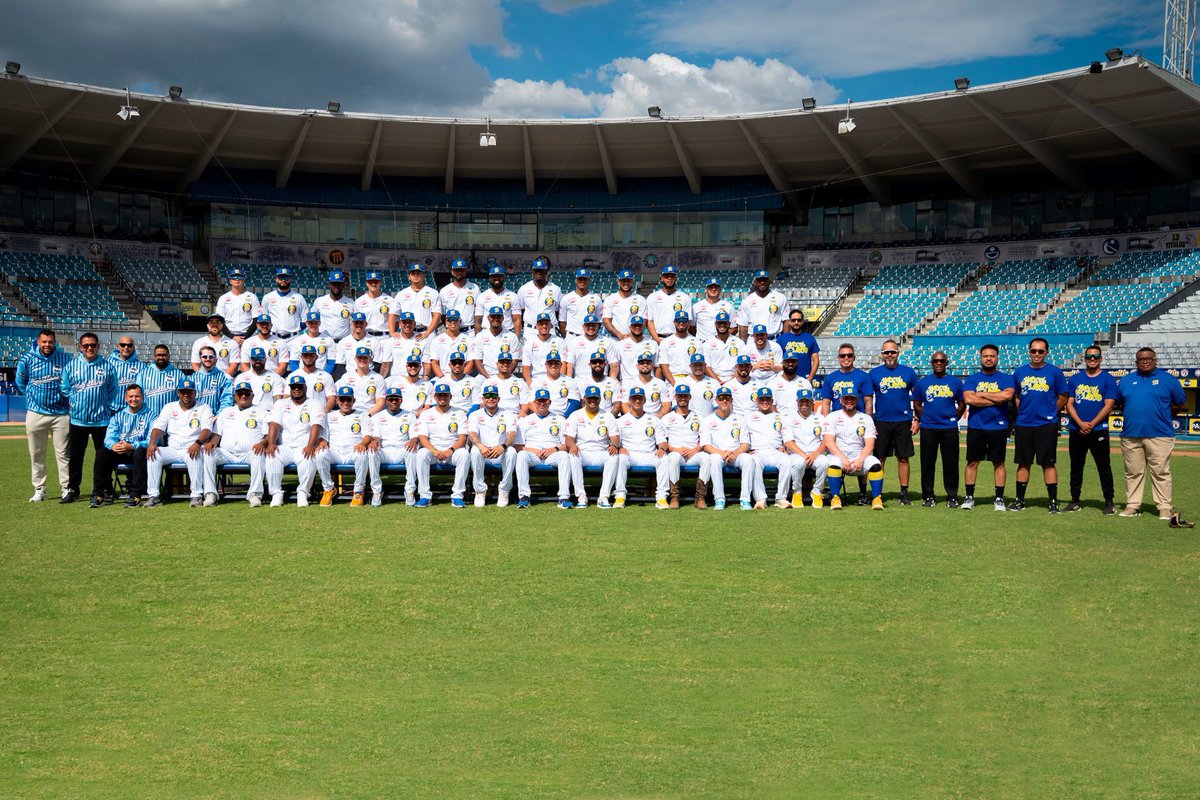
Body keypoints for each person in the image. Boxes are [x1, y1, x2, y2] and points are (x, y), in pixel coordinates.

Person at [1116, 347, 1190, 525]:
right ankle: (1133, 505)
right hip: (1131, 435)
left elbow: (1179, 403)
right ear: (1136, 362)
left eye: (1149, 358)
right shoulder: (1126, 380)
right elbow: (1120, 403)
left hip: (1160, 434)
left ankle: (1164, 507)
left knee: (1161, 472)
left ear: (1155, 360)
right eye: (1141, 359)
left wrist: (1163, 416)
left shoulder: (1168, 380)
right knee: (1133, 472)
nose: (1145, 361)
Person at [1011, 337, 1069, 512]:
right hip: (1024, 424)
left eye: (1040, 351)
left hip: (1046, 425)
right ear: (1029, 352)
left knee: (1048, 463)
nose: (1037, 354)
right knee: (1023, 463)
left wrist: (1051, 412)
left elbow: (1063, 396)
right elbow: (1016, 396)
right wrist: (1023, 411)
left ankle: (1053, 502)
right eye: (1034, 351)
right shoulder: (1019, 372)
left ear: (1046, 353)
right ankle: (1019, 500)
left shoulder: (1055, 372)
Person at [61, 331, 117, 506]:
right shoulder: (71, 366)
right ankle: (73, 489)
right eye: (86, 345)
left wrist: (106, 405)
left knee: (104, 456)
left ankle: (104, 489)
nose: (89, 348)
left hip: (102, 420)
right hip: (78, 420)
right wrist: (75, 401)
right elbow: (64, 387)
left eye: (93, 345)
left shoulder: (107, 366)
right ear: (80, 347)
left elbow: (113, 390)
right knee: (76, 457)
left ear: (98, 346)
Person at [16, 328, 71, 503]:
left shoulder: (65, 358)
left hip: (61, 414)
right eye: (44, 341)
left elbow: (71, 381)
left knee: (63, 453)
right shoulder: (27, 359)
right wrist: (33, 398)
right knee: (36, 453)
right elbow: (21, 382)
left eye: (50, 341)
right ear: (38, 342)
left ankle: (66, 488)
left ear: (55, 342)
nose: (47, 345)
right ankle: (40, 489)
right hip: (36, 413)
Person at [961, 343, 1015, 511]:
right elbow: (970, 400)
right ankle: (969, 497)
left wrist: (982, 394)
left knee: (998, 462)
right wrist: (995, 397)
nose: (989, 358)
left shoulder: (1006, 378)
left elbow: (1007, 396)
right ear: (981, 358)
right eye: (986, 356)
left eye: (992, 356)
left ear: (997, 358)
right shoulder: (972, 379)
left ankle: (999, 498)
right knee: (972, 462)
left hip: (998, 427)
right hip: (976, 426)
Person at [202, 380, 273, 507]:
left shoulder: (262, 412)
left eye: (247, 394)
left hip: (249, 453)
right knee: (208, 453)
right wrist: (212, 443)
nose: (243, 396)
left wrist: (263, 443)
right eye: (240, 394)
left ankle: (255, 494)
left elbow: (268, 435)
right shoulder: (226, 412)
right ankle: (210, 494)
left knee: (259, 454)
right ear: (235, 396)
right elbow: (217, 434)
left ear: (252, 395)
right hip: (227, 453)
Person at [1064, 345, 1117, 515]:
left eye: (1095, 356)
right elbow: (1069, 403)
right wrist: (1080, 423)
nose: (1092, 359)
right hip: (1077, 429)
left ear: (1101, 359)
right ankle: (1074, 500)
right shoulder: (1075, 379)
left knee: (1104, 467)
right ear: (1085, 359)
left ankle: (1109, 501)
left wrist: (1091, 424)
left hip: (1098, 430)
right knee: (1076, 467)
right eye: (1089, 356)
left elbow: (1108, 405)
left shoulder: (1108, 379)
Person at [266, 375, 333, 508]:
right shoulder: (280, 404)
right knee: (272, 456)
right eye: (293, 387)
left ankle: (303, 493)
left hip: (303, 445)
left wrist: (310, 445)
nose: (296, 389)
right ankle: (276, 494)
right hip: (285, 445)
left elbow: (316, 425)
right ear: (290, 389)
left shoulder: (314, 404)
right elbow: (274, 424)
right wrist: (271, 443)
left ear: (305, 388)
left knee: (308, 458)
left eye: (299, 387)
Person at [145, 379, 212, 507]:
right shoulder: (169, 407)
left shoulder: (204, 407)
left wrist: (198, 443)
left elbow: (207, 429)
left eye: (189, 392)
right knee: (154, 454)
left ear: (195, 393)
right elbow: (159, 427)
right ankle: (154, 496)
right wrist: (152, 442)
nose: (186, 395)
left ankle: (196, 495)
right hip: (173, 449)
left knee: (195, 455)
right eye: (183, 392)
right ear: (178, 393)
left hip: (191, 447)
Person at [869, 340, 919, 505]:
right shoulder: (874, 373)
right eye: (886, 352)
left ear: (898, 353)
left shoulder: (909, 372)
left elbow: (918, 398)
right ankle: (877, 493)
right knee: (879, 458)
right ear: (882, 354)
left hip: (903, 421)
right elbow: (868, 399)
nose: (890, 355)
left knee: (903, 458)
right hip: (881, 421)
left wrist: (917, 419)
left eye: (893, 352)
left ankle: (904, 492)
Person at [912, 351, 965, 507]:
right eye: (936, 361)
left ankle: (952, 496)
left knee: (951, 463)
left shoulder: (955, 382)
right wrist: (926, 417)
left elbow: (962, 405)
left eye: (942, 361)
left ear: (946, 362)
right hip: (928, 428)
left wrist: (951, 417)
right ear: (932, 362)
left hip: (949, 428)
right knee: (927, 463)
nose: (939, 363)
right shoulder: (923, 382)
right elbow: (917, 405)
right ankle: (928, 496)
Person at [822, 386, 884, 510]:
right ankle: (835, 498)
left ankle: (877, 499)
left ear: (857, 400)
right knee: (833, 463)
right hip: (838, 455)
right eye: (846, 399)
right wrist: (843, 459)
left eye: (852, 399)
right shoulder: (832, 416)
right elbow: (829, 442)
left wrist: (860, 459)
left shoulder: (866, 418)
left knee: (876, 464)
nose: (849, 401)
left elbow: (870, 444)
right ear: (840, 400)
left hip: (859, 455)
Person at [565, 385, 623, 508]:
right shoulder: (575, 415)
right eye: (590, 398)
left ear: (600, 400)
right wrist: (572, 446)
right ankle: (581, 496)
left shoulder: (608, 415)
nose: (592, 401)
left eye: (595, 398)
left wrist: (613, 445)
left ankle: (604, 497)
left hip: (601, 451)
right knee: (573, 455)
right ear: (584, 399)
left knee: (614, 456)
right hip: (582, 451)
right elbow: (568, 439)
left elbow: (615, 438)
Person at [513, 387, 573, 508]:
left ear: (549, 402)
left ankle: (564, 497)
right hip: (532, 454)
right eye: (539, 401)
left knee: (564, 456)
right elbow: (518, 446)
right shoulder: (525, 420)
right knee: (521, 455)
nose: (542, 403)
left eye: (545, 401)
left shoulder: (560, 419)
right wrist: (532, 450)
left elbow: (566, 445)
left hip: (552, 454)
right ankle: (524, 496)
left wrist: (554, 449)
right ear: (534, 403)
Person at [614, 386, 672, 509]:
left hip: (649, 454)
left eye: (640, 398)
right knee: (620, 458)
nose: (637, 401)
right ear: (629, 400)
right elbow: (614, 441)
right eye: (634, 398)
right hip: (630, 454)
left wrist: (661, 448)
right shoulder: (621, 420)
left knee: (664, 458)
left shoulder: (654, 420)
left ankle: (661, 497)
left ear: (644, 400)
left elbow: (662, 441)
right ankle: (620, 496)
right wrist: (619, 448)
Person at [414, 383, 470, 507]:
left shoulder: (460, 413)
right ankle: (424, 495)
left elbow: (463, 438)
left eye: (445, 395)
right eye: (440, 395)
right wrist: (434, 451)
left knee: (464, 454)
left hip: (452, 452)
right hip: (433, 452)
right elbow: (422, 437)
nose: (442, 398)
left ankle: (457, 495)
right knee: (421, 454)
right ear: (435, 397)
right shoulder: (426, 414)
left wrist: (451, 450)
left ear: (450, 396)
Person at [699, 386, 755, 511]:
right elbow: (706, 445)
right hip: (718, 454)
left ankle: (745, 499)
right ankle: (719, 498)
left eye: (727, 398)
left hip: (736, 454)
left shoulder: (740, 418)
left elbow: (745, 443)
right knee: (713, 459)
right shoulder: (708, 420)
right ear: (716, 400)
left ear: (731, 400)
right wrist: (722, 453)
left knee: (749, 460)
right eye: (721, 398)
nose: (724, 401)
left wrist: (734, 453)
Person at [467, 383, 519, 507]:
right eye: (487, 396)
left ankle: (504, 490)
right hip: (483, 453)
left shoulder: (508, 414)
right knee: (474, 450)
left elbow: (512, 434)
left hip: (500, 453)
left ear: (498, 399)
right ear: (483, 399)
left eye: (494, 396)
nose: (491, 399)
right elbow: (472, 434)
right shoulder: (475, 414)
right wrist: (480, 446)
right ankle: (480, 490)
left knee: (511, 452)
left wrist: (503, 446)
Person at [101, 383, 151, 508]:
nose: (133, 399)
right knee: (102, 452)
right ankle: (99, 493)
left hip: (139, 452)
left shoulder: (151, 416)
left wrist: (132, 446)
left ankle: (135, 495)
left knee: (140, 451)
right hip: (121, 451)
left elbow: (152, 440)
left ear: (143, 397)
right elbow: (109, 437)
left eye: (137, 396)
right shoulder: (117, 416)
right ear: (125, 398)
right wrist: (113, 446)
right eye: (131, 396)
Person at [325, 386, 376, 506]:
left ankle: (358, 491)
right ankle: (328, 489)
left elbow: (368, 434)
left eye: (348, 400)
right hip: (334, 451)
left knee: (362, 455)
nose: (345, 403)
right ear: (337, 400)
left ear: (354, 401)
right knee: (320, 455)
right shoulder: (329, 416)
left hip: (353, 450)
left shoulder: (362, 415)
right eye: (342, 399)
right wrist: (322, 442)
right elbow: (324, 435)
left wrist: (363, 443)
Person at [370, 385, 421, 506]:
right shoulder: (378, 416)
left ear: (401, 400)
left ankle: (409, 490)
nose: (394, 402)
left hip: (402, 449)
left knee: (413, 450)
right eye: (391, 399)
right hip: (385, 450)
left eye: (396, 399)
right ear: (386, 400)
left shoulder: (409, 416)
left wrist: (414, 440)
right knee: (372, 451)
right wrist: (375, 441)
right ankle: (377, 491)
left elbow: (414, 436)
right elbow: (376, 436)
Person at [660, 384, 709, 509]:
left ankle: (700, 497)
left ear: (689, 397)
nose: (683, 399)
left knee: (706, 458)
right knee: (674, 458)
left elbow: (704, 439)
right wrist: (675, 449)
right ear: (675, 397)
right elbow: (663, 441)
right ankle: (675, 496)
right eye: (680, 396)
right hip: (676, 453)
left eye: (685, 396)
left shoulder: (699, 417)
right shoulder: (667, 418)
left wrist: (695, 450)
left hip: (694, 453)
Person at [782, 387, 830, 508]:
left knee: (824, 462)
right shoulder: (789, 418)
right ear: (797, 402)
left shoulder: (820, 418)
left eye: (807, 401)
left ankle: (817, 492)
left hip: (815, 454)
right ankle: (797, 492)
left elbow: (825, 441)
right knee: (798, 463)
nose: (804, 404)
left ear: (812, 402)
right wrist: (804, 455)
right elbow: (788, 442)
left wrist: (815, 454)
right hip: (796, 454)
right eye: (801, 401)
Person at [745, 387, 792, 509]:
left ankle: (781, 498)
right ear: (757, 401)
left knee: (786, 461)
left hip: (775, 451)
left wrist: (785, 447)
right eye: (762, 399)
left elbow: (787, 437)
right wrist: (746, 449)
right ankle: (760, 499)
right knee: (754, 461)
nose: (765, 402)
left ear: (772, 400)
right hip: (757, 451)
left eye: (767, 399)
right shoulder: (748, 417)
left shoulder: (780, 417)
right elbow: (743, 436)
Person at [392, 262, 442, 338]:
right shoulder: (401, 294)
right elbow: (393, 314)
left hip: (427, 332)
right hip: (407, 333)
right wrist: (392, 332)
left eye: (418, 273)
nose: (416, 275)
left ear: (424, 276)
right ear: (409, 277)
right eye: (413, 273)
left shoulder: (433, 293)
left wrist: (427, 333)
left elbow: (437, 315)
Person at [513, 256, 561, 334]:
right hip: (530, 330)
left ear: (546, 271)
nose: (539, 272)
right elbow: (521, 311)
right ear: (532, 272)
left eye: (541, 270)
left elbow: (557, 312)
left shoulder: (556, 289)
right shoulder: (524, 289)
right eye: (536, 270)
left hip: (549, 330)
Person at [645, 264, 692, 343]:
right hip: (657, 339)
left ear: (676, 278)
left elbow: (688, 321)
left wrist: (678, 337)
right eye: (667, 276)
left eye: (672, 276)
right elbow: (650, 321)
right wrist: (658, 340)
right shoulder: (652, 297)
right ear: (662, 278)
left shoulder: (684, 297)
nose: (669, 279)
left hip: (677, 339)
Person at [736, 269, 789, 339]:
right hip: (754, 340)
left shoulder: (780, 297)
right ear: (755, 282)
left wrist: (785, 340)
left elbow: (786, 320)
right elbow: (743, 325)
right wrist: (743, 345)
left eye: (765, 280)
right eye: (759, 280)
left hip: (775, 339)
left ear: (769, 281)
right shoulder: (747, 300)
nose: (762, 282)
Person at [473, 305, 521, 378]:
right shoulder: (480, 336)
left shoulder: (512, 336)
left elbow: (514, 361)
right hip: (485, 374)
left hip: (506, 374)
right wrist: (488, 378)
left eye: (498, 317)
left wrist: (504, 376)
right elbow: (477, 361)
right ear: (488, 318)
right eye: (493, 317)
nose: (496, 319)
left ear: (502, 318)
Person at [261, 266, 309, 338]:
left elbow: (305, 318)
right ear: (276, 279)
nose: (283, 280)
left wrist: (297, 329)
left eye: (286, 278)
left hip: (294, 338)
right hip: (274, 337)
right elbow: (263, 318)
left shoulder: (299, 297)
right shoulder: (267, 297)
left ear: (290, 279)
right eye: (280, 277)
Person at [140, 344, 186, 420]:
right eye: (158, 355)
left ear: (169, 356)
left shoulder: (179, 374)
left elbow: (183, 397)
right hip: (148, 417)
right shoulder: (143, 373)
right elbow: (138, 395)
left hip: (171, 418)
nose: (161, 357)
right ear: (154, 356)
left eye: (164, 355)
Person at [215, 266, 261, 339]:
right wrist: (232, 337)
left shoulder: (252, 297)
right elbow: (220, 320)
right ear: (230, 281)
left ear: (244, 280)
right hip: (228, 336)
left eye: (240, 277)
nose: (237, 279)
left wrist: (245, 337)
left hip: (248, 337)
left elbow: (256, 319)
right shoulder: (223, 298)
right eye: (234, 277)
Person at [775, 311, 820, 383]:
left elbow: (816, 360)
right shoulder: (781, 339)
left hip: (804, 378)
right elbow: (777, 360)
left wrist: (810, 378)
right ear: (789, 322)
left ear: (802, 321)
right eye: (793, 320)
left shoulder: (810, 338)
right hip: (786, 380)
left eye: (799, 320)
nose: (796, 322)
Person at [310, 270, 355, 341]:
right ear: (329, 284)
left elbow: (358, 320)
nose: (336, 287)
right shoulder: (319, 301)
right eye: (334, 284)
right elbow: (311, 320)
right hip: (324, 341)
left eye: (339, 284)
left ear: (343, 284)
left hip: (343, 342)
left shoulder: (350, 302)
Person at [558, 268, 603, 337]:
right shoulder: (566, 298)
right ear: (576, 280)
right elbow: (562, 322)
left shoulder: (596, 298)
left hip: (588, 337)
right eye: (580, 279)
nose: (582, 281)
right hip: (572, 336)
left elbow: (598, 322)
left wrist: (591, 335)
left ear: (589, 280)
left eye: (585, 279)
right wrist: (567, 337)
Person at [658, 311, 700, 384]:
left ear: (688, 323)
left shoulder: (697, 342)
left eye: (684, 321)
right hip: (673, 379)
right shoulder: (665, 342)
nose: (681, 323)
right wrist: (674, 384)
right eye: (678, 321)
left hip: (691, 379)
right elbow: (664, 366)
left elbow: (700, 365)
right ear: (674, 322)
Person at [439, 258, 480, 333]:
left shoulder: (475, 288)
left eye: (461, 270)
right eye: (456, 270)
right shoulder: (444, 290)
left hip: (470, 331)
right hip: (451, 331)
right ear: (452, 272)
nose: (459, 272)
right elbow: (443, 314)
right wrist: (450, 327)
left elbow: (478, 311)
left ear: (466, 271)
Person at [601, 269, 644, 339]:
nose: (626, 283)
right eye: (623, 280)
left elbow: (644, 320)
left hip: (634, 340)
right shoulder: (610, 299)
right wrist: (619, 335)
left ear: (632, 281)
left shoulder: (640, 299)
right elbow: (606, 321)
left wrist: (632, 336)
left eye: (628, 281)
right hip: (615, 339)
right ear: (618, 282)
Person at [475, 263, 518, 333]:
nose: (496, 279)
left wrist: (516, 338)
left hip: (507, 333)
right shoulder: (482, 296)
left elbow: (517, 320)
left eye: (499, 276)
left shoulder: (512, 296)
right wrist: (477, 338)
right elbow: (478, 321)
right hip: (486, 333)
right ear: (490, 278)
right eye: (494, 276)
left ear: (503, 277)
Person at [192, 345, 233, 414]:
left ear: (216, 359)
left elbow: (227, 399)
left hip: (217, 418)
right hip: (196, 417)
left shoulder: (224, 378)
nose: (208, 359)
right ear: (200, 358)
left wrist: (219, 415)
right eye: (204, 357)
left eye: (211, 357)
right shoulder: (192, 378)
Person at [106, 335, 143, 410]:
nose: (126, 347)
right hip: (109, 409)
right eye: (123, 345)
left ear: (133, 347)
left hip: (130, 410)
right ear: (118, 347)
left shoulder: (141, 366)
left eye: (129, 345)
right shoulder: (107, 363)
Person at [355, 270, 394, 338]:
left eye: (376, 282)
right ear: (366, 283)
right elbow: (356, 322)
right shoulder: (359, 301)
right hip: (366, 336)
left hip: (385, 337)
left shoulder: (390, 300)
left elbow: (395, 320)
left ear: (380, 283)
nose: (373, 284)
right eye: (370, 282)